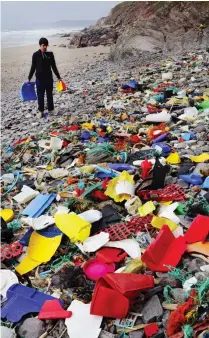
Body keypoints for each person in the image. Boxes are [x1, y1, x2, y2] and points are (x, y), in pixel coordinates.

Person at [28, 37, 62, 118]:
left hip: (49, 79)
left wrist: (58, 77)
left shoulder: (50, 54)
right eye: (43, 45)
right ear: (40, 45)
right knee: (40, 96)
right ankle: (41, 111)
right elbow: (33, 67)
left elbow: (54, 66)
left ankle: (51, 109)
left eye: (46, 45)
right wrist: (29, 78)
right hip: (39, 79)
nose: (45, 47)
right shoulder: (35, 55)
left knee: (49, 95)